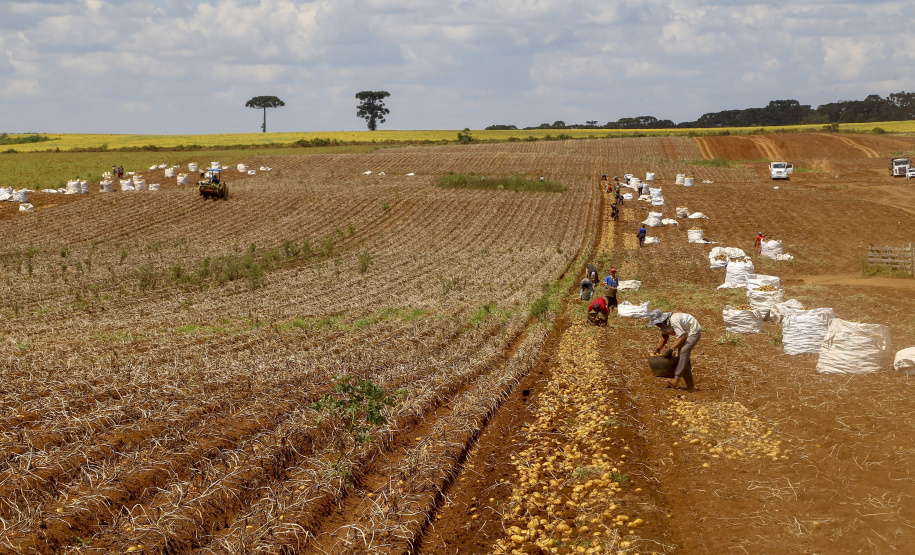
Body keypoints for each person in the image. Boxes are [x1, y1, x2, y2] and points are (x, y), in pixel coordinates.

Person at [648, 309, 701, 392]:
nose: (656, 325)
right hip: (684, 333)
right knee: (683, 358)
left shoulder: (674, 320)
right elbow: (664, 337)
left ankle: (676, 379)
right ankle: (690, 387)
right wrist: (658, 349)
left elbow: (682, 337)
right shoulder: (662, 325)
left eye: (657, 323)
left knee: (684, 352)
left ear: (662, 320)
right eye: (655, 323)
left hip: (693, 331)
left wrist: (671, 349)